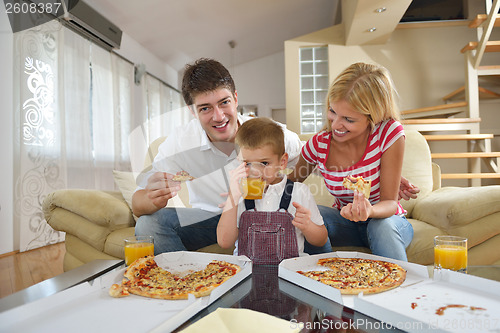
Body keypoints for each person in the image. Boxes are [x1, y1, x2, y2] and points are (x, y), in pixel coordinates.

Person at [132, 58, 306, 254]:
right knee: (148, 225)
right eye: (205, 108)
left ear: (236, 98)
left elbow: (309, 157)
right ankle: (192, 283)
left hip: (269, 212)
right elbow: (137, 204)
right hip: (210, 220)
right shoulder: (180, 142)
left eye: (224, 103)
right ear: (192, 110)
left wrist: (281, 188)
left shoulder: (268, 132)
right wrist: (151, 197)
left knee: (317, 217)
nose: (219, 116)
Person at [288, 62, 414, 261]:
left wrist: (369, 211)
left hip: (386, 221)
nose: (336, 124)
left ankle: (397, 288)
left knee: (381, 226)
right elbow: (289, 184)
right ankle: (326, 278)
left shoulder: (389, 133)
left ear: (373, 116)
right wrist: (257, 178)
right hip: (345, 223)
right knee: (309, 214)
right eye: (332, 111)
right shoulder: (319, 144)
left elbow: (390, 203)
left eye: (348, 119)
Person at [217, 117, 328, 261]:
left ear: (282, 162)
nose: (255, 171)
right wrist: (232, 198)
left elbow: (321, 240)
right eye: (248, 163)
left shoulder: (299, 191)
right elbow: (224, 242)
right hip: (248, 272)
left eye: (264, 163)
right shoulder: (238, 194)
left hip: (288, 272)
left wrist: (308, 226)